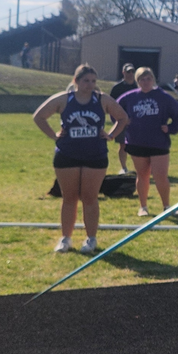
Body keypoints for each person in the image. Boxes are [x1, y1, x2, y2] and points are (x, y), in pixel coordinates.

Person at [33, 64, 128, 253]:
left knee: (90, 198)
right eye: (86, 81)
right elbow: (39, 116)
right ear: (76, 81)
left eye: (93, 81)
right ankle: (65, 238)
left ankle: (91, 239)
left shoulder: (102, 100)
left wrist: (110, 135)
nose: (90, 84)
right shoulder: (64, 99)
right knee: (69, 198)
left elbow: (123, 117)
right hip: (67, 154)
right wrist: (54, 135)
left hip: (95, 155)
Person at [117, 67, 178, 217]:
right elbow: (115, 111)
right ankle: (143, 206)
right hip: (136, 142)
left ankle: (167, 206)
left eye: (148, 79)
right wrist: (123, 122)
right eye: (142, 79)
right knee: (142, 175)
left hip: (158, 143)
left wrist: (170, 128)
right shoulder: (129, 97)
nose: (145, 82)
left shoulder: (163, 97)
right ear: (137, 81)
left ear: (153, 80)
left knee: (161, 176)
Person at [110, 63, 138, 174]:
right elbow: (111, 105)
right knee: (123, 145)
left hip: (137, 122)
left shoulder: (138, 87)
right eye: (128, 72)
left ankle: (141, 169)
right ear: (123, 73)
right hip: (122, 121)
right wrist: (121, 119)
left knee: (138, 146)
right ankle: (124, 168)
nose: (130, 74)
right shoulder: (117, 88)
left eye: (132, 71)